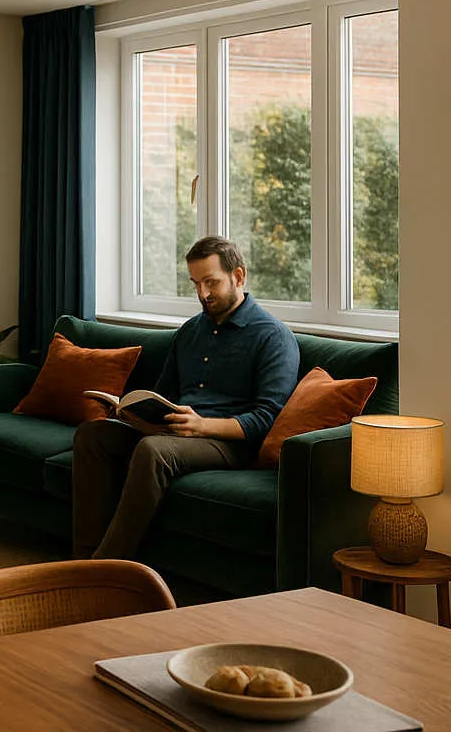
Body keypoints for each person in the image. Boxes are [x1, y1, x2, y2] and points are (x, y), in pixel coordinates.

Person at [72, 235, 299, 561]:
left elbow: (267, 418)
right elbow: (164, 393)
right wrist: (130, 412)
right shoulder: (191, 331)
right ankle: (81, 557)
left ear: (239, 276)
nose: (202, 294)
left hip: (229, 441)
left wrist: (203, 426)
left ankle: (105, 567)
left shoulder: (273, 336)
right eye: (195, 284)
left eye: (211, 283)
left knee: (154, 450)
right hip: (178, 429)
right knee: (93, 434)